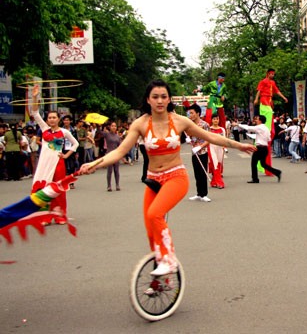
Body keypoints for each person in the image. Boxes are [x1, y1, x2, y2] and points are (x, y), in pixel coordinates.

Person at [79, 79, 255, 276]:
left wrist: (239, 145)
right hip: (153, 180)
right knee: (150, 228)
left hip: (175, 177)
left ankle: (169, 259)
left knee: (155, 214)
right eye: (155, 97)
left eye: (164, 96)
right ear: (148, 100)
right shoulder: (140, 124)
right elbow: (120, 151)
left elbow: (211, 137)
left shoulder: (179, 121)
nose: (160, 101)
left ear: (169, 99)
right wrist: (94, 164)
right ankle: (162, 281)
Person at [30, 85, 78, 225]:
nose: (51, 120)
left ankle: (60, 216)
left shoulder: (64, 132)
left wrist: (66, 155)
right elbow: (35, 113)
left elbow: (75, 144)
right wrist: (35, 97)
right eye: (49, 117)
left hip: (58, 164)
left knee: (58, 190)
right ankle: (44, 217)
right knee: (43, 190)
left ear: (59, 119)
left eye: (54, 117)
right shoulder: (44, 129)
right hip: (44, 164)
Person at [254, 69, 288, 174]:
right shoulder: (263, 81)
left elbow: (277, 91)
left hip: (269, 101)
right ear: (268, 74)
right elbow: (259, 91)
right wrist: (256, 99)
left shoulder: (273, 83)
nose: (273, 75)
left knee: (270, 115)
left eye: (274, 74)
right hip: (264, 101)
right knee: (267, 114)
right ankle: (266, 127)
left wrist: (284, 97)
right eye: (271, 74)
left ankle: (268, 129)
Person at [238, 115, 281, 183]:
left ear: (260, 120)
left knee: (254, 163)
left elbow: (249, 128)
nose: (255, 120)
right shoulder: (266, 128)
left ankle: (255, 179)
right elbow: (268, 139)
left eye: (257, 119)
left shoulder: (259, 127)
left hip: (259, 148)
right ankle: (277, 172)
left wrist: (238, 125)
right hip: (265, 148)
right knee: (263, 164)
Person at [187, 103, 211, 202]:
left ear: (197, 113)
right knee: (196, 173)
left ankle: (204, 194)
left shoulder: (205, 125)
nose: (190, 115)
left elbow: (209, 139)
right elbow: (188, 136)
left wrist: (200, 147)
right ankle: (198, 193)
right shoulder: (189, 125)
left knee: (202, 173)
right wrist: (188, 139)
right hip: (194, 152)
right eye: (189, 113)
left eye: (192, 113)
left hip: (202, 152)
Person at [102, 122, 122, 192]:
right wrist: (100, 125)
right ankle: (109, 186)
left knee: (116, 170)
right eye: (112, 126)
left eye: (115, 126)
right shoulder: (107, 135)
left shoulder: (117, 136)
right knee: (109, 171)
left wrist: (121, 156)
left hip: (116, 155)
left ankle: (117, 185)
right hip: (109, 154)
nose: (114, 127)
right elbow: (100, 133)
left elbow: (120, 146)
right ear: (110, 127)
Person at [208, 114, 225, 189]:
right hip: (211, 147)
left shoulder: (222, 129)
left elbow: (224, 139)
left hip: (220, 148)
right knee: (215, 164)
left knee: (219, 163)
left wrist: (224, 147)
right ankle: (220, 182)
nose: (216, 120)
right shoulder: (209, 129)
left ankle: (214, 181)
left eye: (217, 119)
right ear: (211, 120)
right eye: (214, 119)